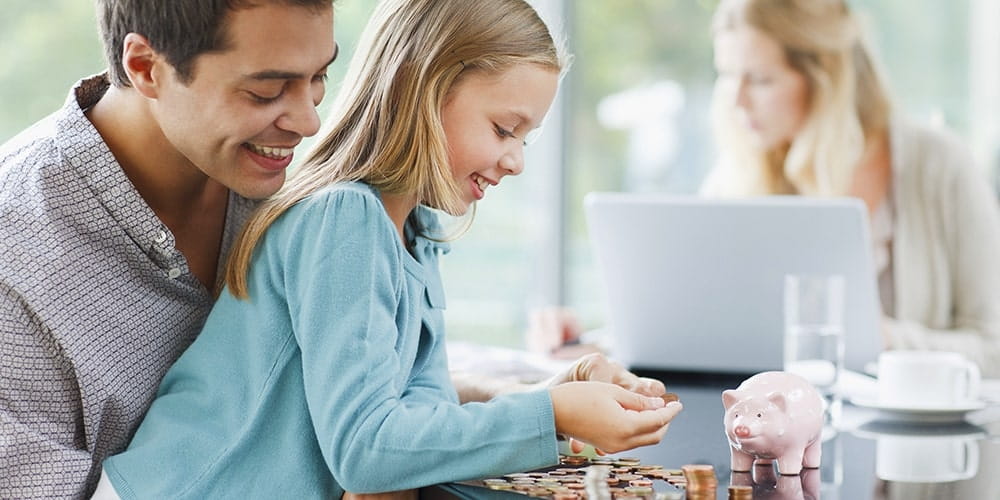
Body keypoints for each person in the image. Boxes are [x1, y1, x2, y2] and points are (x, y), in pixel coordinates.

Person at [99, 0, 683, 497]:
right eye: (505, 130)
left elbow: (416, 421)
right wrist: (551, 415)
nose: (516, 160)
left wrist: (557, 393)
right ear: (422, 92)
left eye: (526, 138)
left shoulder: (415, 232)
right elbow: (366, 448)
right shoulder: (343, 218)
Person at [0, 0, 337, 497]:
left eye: (318, 79)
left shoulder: (298, 194)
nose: (309, 122)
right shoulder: (15, 259)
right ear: (145, 67)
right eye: (266, 91)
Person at [704, 0, 1000, 376]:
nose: (736, 101)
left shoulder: (939, 166)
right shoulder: (734, 178)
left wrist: (886, 339)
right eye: (727, 75)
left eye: (760, 79)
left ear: (825, 78)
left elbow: (994, 348)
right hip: (774, 429)